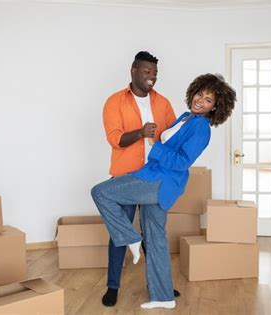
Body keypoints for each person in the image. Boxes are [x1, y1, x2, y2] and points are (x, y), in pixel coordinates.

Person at [92, 73, 236, 309]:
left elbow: (181, 162)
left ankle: (130, 238)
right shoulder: (186, 117)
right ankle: (163, 296)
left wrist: (155, 147)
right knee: (156, 237)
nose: (201, 100)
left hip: (160, 181)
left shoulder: (201, 128)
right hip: (156, 177)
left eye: (209, 100)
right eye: (200, 93)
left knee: (100, 192)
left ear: (216, 108)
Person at [101, 51, 177, 306]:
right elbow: (115, 139)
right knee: (119, 234)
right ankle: (113, 286)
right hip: (126, 178)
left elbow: (172, 138)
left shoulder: (163, 103)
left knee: (155, 234)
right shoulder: (115, 102)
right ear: (133, 71)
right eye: (147, 72)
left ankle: (161, 285)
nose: (152, 77)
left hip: (154, 179)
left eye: (155, 73)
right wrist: (141, 132)